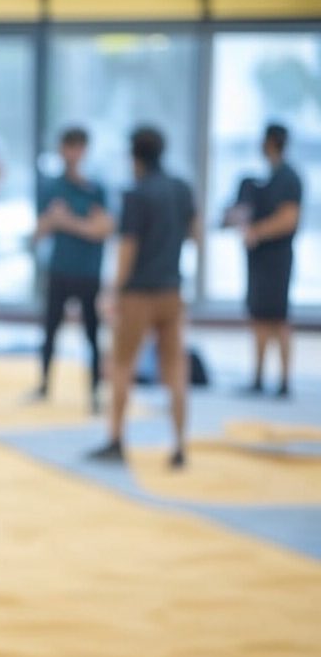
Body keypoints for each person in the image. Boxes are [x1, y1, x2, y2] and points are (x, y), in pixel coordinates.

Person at [88, 126, 197, 469]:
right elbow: (194, 233)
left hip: (137, 294)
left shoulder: (136, 194)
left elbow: (128, 249)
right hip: (172, 290)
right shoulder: (181, 188)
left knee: (122, 366)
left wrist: (112, 291)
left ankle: (116, 440)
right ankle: (179, 446)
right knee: (175, 370)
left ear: (134, 156)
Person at [31, 126, 114, 413]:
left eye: (78, 147)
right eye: (68, 146)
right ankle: (43, 384)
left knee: (93, 335)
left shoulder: (97, 188)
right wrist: (79, 224)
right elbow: (39, 231)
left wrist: (64, 221)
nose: (73, 154)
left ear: (85, 150)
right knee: (50, 330)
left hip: (89, 272)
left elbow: (103, 230)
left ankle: (95, 392)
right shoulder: (51, 187)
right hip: (60, 269)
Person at [222, 123, 302, 397]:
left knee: (278, 319)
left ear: (271, 142)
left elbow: (289, 218)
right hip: (259, 259)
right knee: (259, 317)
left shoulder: (288, 178)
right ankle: (257, 377)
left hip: (277, 259)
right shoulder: (263, 179)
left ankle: (283, 381)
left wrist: (257, 231)